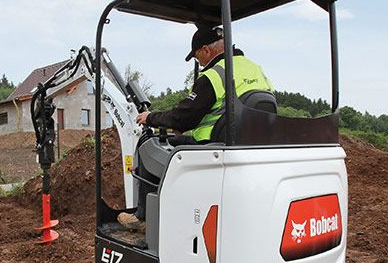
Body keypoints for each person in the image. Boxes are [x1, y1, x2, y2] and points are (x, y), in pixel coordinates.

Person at [117, 26, 274, 231]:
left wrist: (151, 118)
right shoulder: (254, 69)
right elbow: (229, 110)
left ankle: (143, 218)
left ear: (206, 50)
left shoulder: (214, 75)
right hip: (249, 145)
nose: (198, 62)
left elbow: (184, 117)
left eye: (197, 56)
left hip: (211, 146)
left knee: (148, 145)